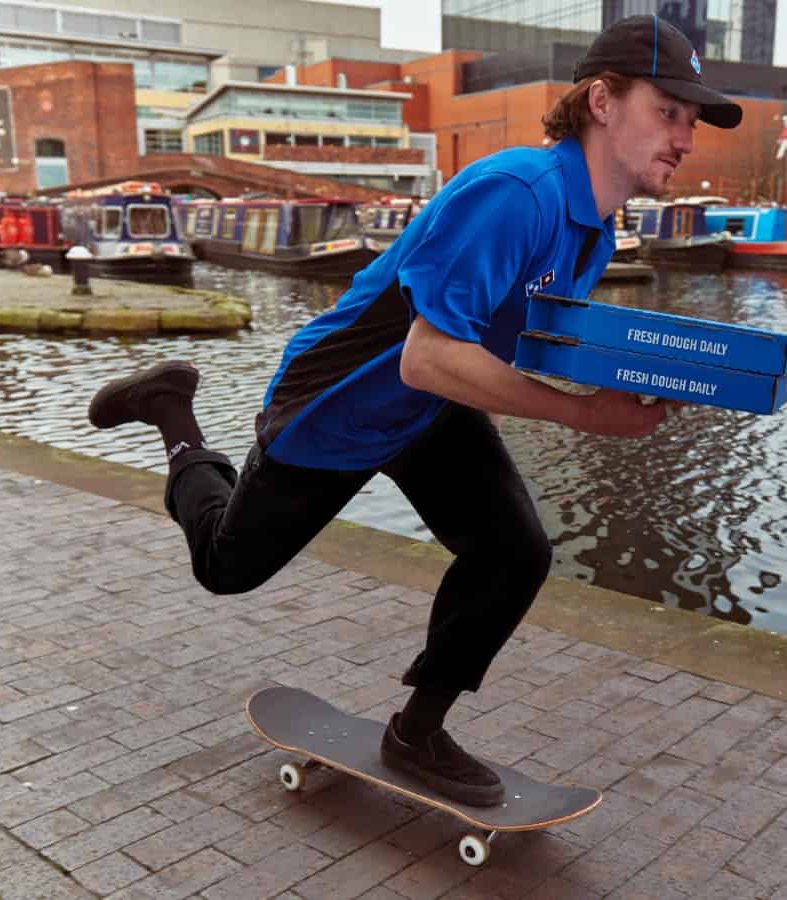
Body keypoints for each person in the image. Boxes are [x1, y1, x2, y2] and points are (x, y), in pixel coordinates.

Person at [83, 16, 741, 808]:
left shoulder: (593, 226)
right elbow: (424, 353)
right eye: (668, 111)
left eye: (691, 120)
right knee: (227, 567)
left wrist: (651, 374)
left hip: (432, 403)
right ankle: (171, 412)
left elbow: (507, 333)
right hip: (341, 401)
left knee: (514, 552)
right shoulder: (516, 195)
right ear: (602, 100)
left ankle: (417, 731)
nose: (686, 137)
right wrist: (582, 415)